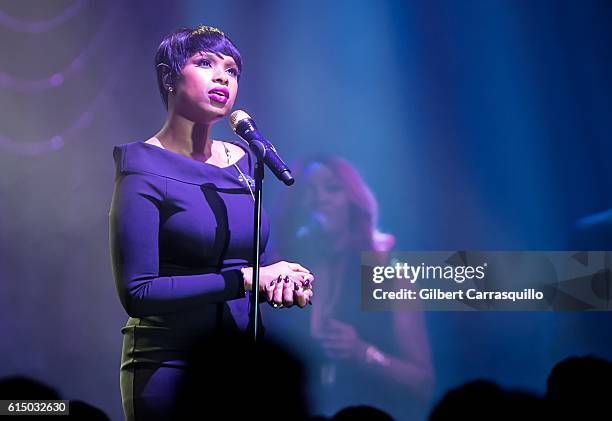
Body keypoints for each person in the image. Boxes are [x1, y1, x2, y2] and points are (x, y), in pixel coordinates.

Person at [108, 25, 314, 421]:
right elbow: (137, 292)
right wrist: (247, 280)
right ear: (169, 78)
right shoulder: (142, 167)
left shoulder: (243, 160)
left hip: (243, 366)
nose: (222, 76)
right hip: (170, 366)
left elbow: (256, 258)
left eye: (231, 70)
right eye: (205, 63)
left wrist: (284, 280)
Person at [271, 157, 434, 420]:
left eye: (331, 188)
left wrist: (363, 352)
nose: (319, 199)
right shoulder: (281, 272)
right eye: (307, 192)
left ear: (353, 202)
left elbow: (422, 382)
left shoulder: (388, 274)